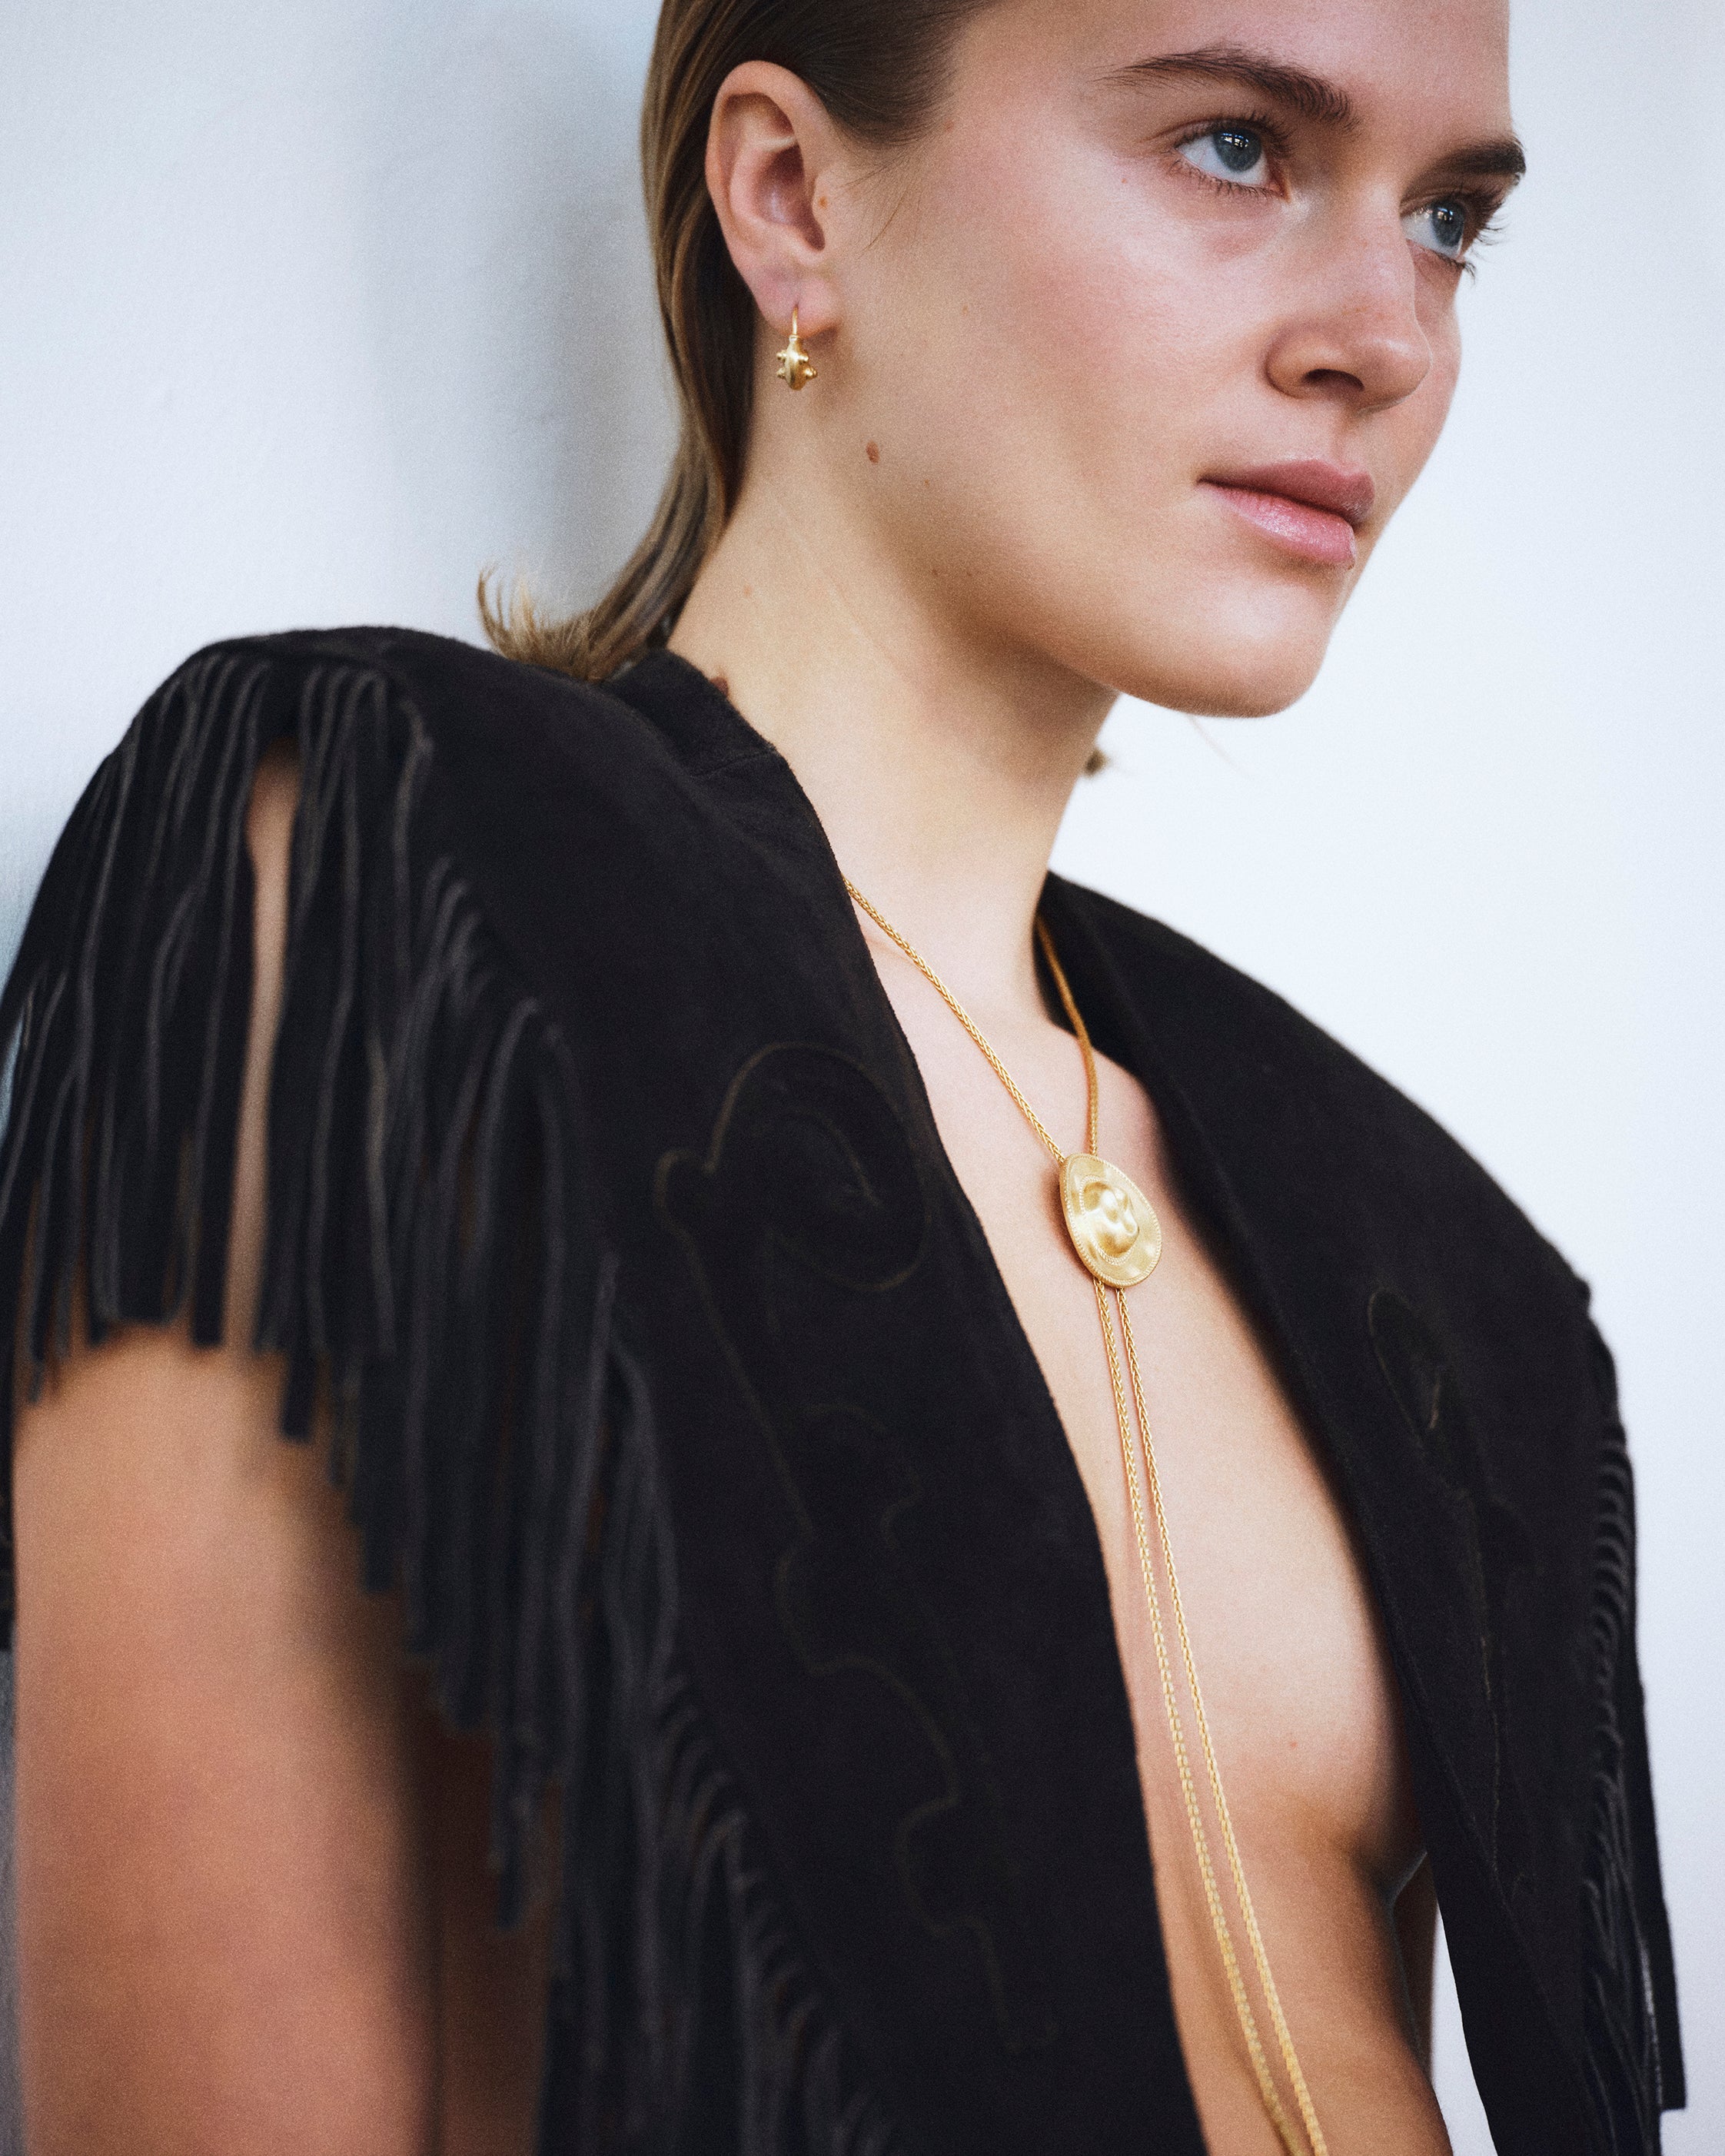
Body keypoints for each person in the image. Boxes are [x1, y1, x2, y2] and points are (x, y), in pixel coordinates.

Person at [0, 0, 1684, 2150]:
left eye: (1449, 220)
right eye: (1236, 148)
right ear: (792, 198)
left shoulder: (1436, 1273)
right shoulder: (392, 887)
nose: (1387, 338)